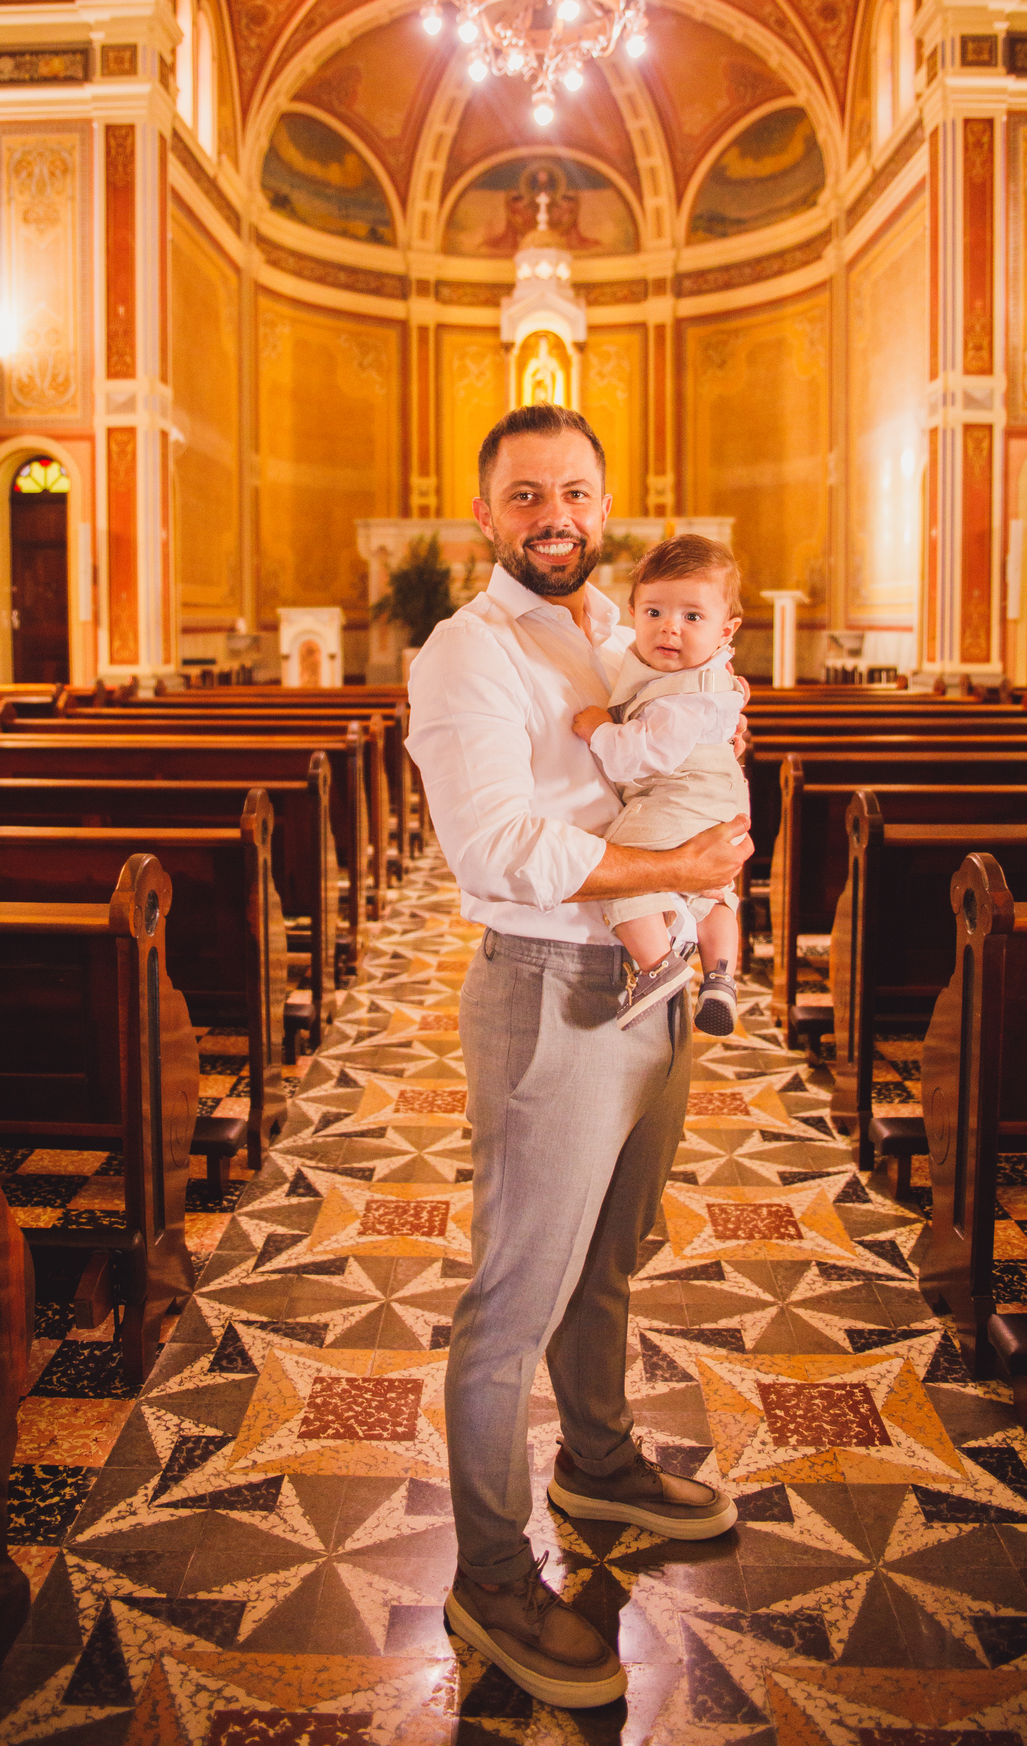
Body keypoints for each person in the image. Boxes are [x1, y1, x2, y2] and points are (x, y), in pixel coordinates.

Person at [405, 404, 752, 1712]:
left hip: (653, 989)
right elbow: (494, 847)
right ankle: (490, 1574)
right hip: (551, 988)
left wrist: (720, 732)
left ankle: (599, 1461)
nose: (556, 513)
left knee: (616, 1253)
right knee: (513, 1302)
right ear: (488, 514)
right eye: (528, 493)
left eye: (578, 492)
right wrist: (678, 866)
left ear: (604, 506)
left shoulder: (620, 625)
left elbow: (677, 732)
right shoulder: (466, 653)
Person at [571, 534, 748, 1036]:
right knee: (711, 890)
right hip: (717, 793)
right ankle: (720, 976)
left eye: (692, 617)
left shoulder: (680, 700)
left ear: (724, 630)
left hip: (681, 792)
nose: (670, 626)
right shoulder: (708, 670)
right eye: (653, 613)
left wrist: (599, 729)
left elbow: (641, 757)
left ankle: (657, 967)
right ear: (632, 614)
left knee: (621, 869)